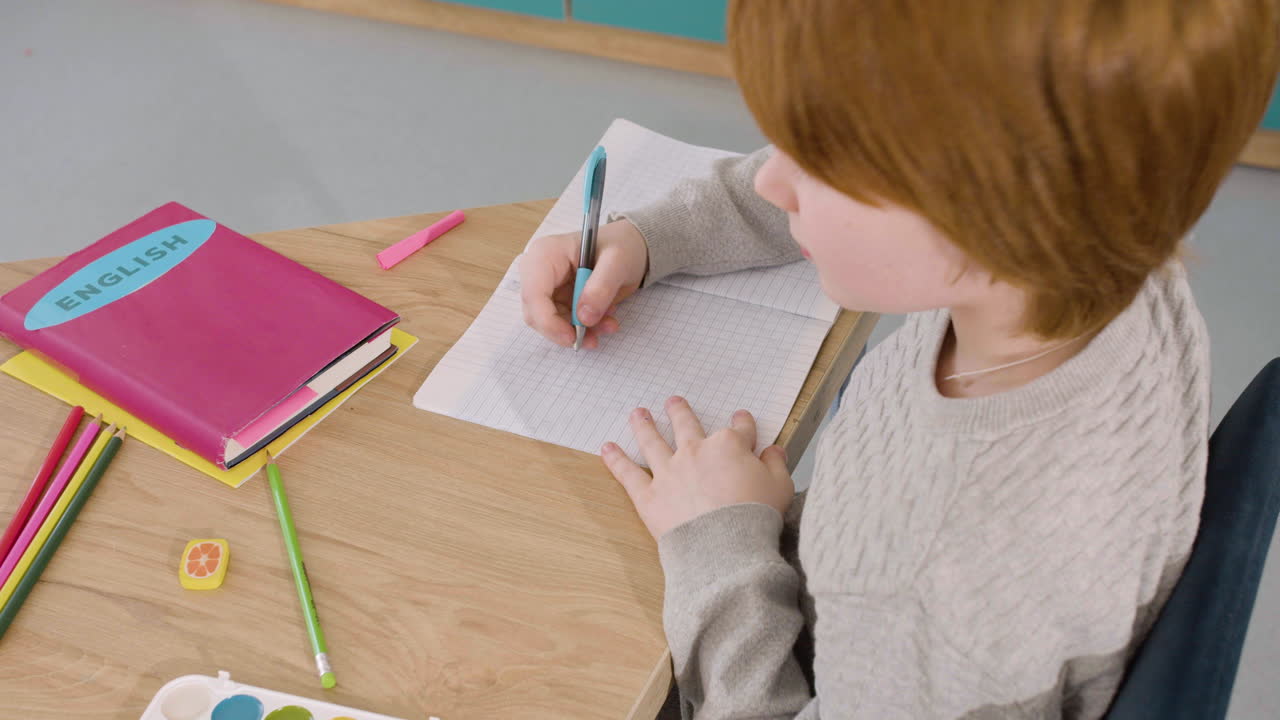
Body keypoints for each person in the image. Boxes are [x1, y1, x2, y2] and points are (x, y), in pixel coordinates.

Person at [518, 1, 1280, 717]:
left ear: (993, 213)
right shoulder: (1113, 244)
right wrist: (654, 238)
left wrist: (722, 547)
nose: (773, 179)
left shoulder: (929, 589)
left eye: (820, 160)